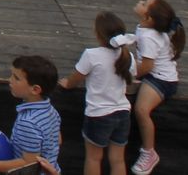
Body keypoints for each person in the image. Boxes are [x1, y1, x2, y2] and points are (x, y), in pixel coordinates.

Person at [58, 12, 136, 175]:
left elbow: (76, 77)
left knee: (94, 158)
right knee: (118, 159)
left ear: (98, 34)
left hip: (99, 114)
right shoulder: (128, 56)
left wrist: (67, 84)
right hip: (123, 112)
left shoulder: (91, 54)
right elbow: (132, 77)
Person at [131, 0, 184, 175]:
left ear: (149, 18)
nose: (141, 1)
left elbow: (147, 66)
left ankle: (149, 152)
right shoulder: (146, 29)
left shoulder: (149, 37)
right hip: (154, 74)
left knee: (141, 110)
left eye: (145, 4)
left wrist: (128, 76)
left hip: (161, 80)